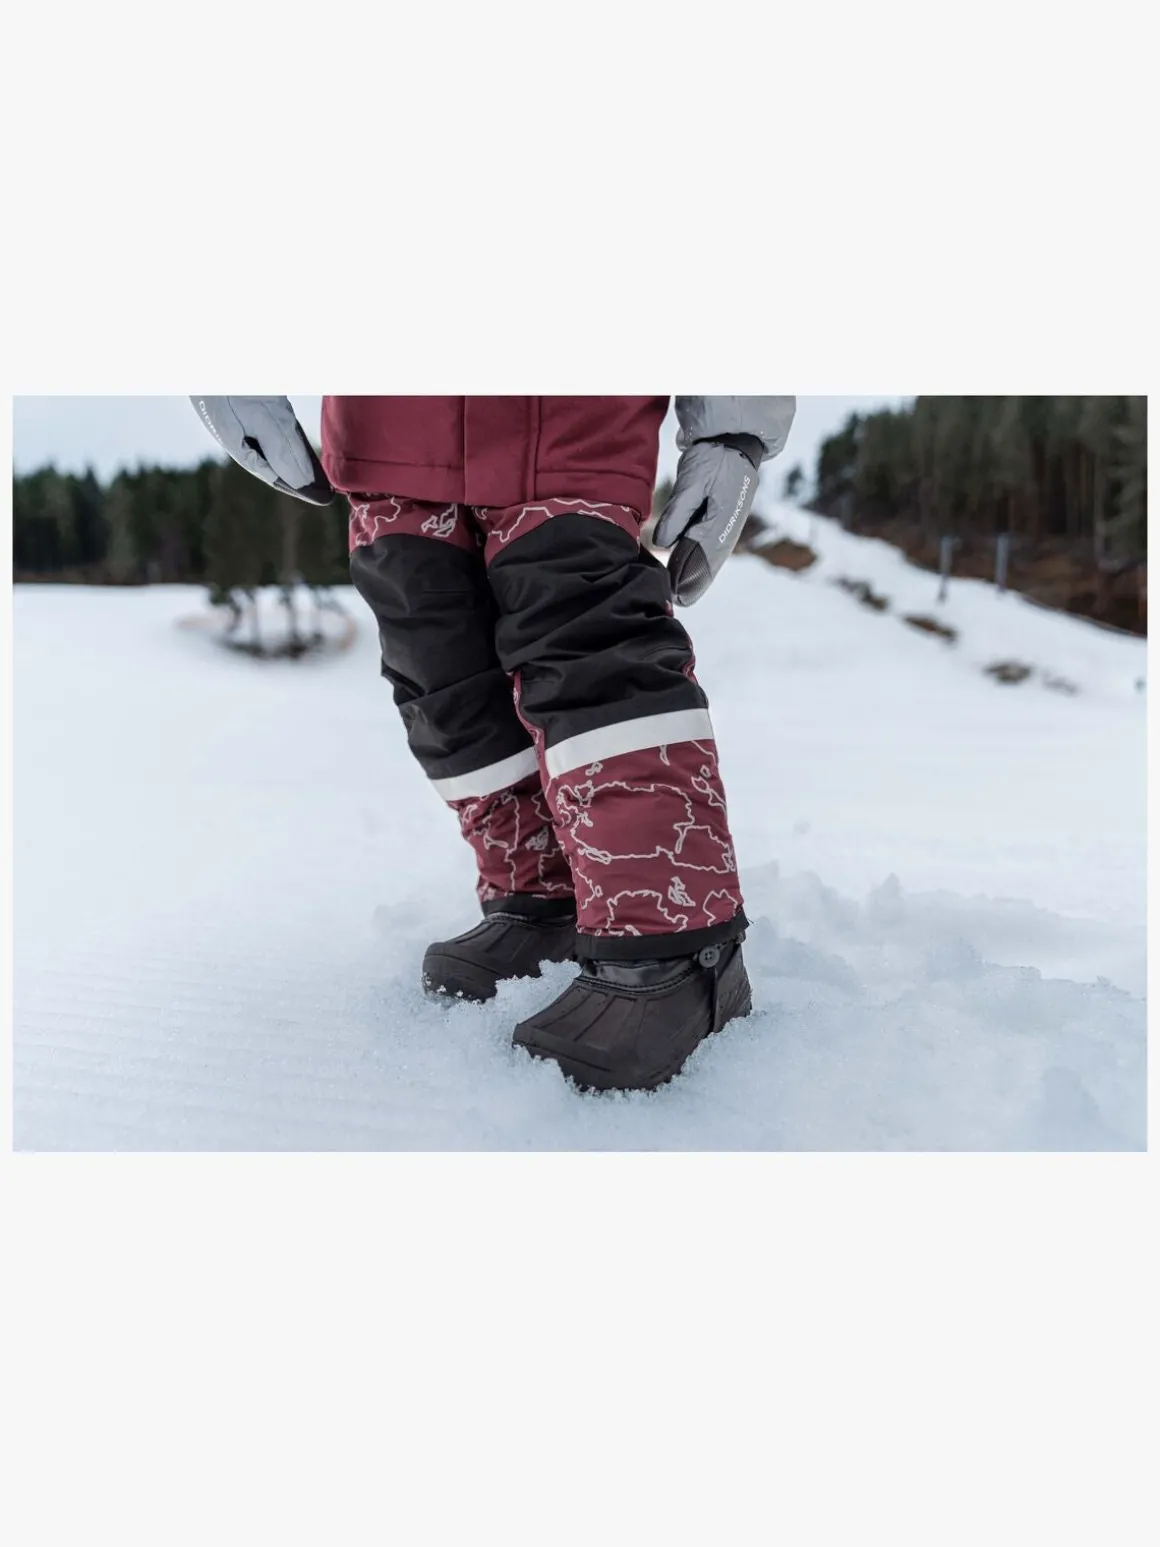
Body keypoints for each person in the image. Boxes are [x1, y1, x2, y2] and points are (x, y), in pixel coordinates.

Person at [191, 395, 795, 1091]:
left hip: (571, 415)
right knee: (438, 664)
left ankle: (676, 946)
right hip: (387, 421)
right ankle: (545, 896)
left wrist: (735, 429)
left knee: (587, 642)